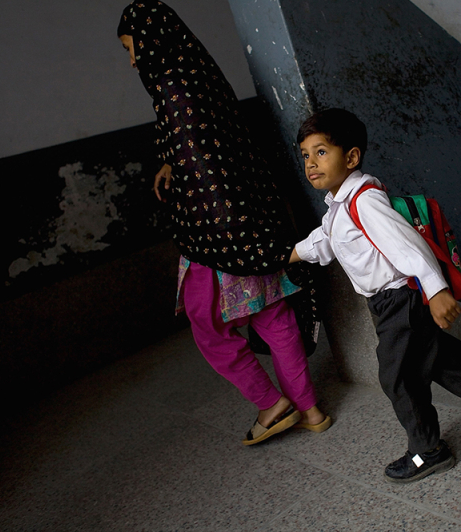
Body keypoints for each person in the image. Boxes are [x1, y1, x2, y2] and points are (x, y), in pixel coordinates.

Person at [290, 108, 461, 483]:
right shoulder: (337, 208)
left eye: (321, 151)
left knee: (398, 376)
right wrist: (291, 254)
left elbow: (408, 246)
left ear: (352, 157)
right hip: (386, 304)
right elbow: (323, 243)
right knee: (437, 359)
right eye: (306, 155)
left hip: (400, 300)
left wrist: (436, 289)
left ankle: (428, 450)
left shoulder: (364, 200)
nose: (311, 162)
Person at [116, 1, 330, 445]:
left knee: (209, 327)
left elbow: (203, 167)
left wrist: (225, 239)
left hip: (216, 235)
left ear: (152, 40)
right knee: (273, 314)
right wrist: (170, 164)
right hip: (254, 218)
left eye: (132, 47)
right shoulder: (198, 74)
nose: (134, 59)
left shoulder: (172, 91)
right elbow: (208, 146)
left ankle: (271, 404)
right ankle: (310, 409)